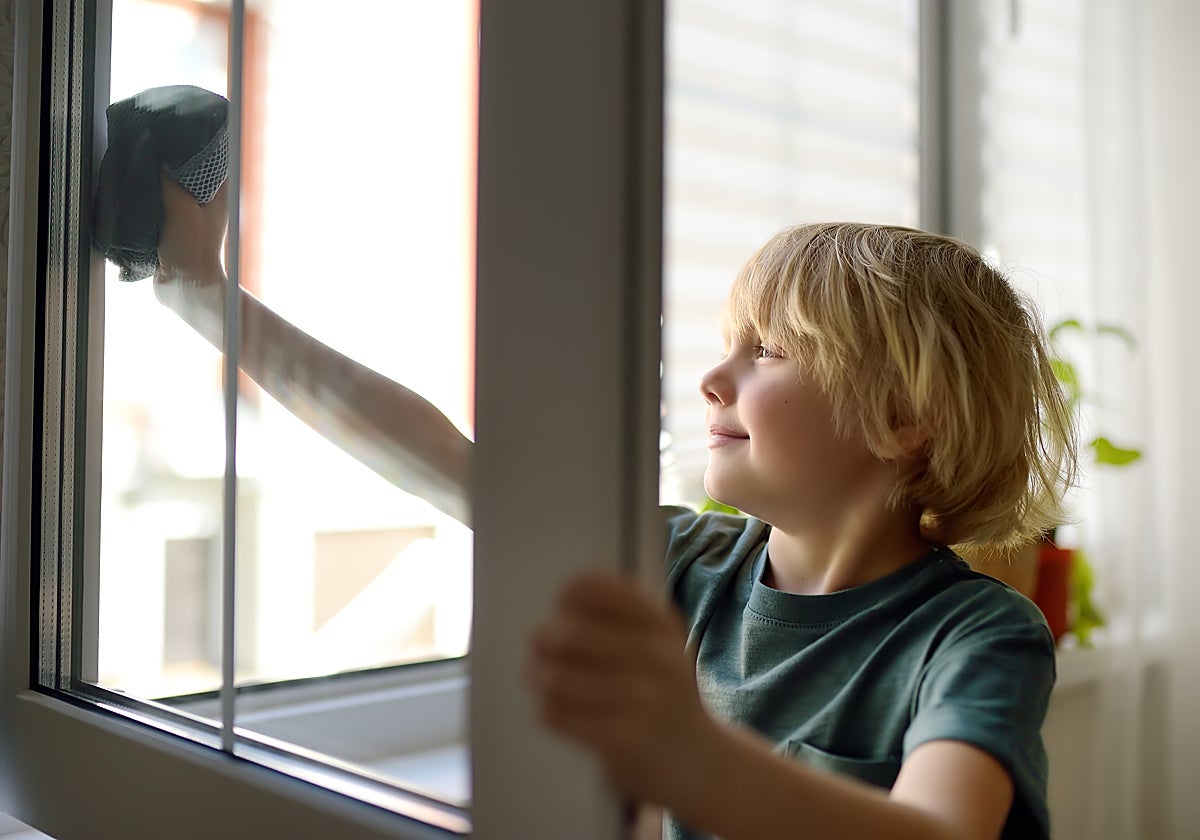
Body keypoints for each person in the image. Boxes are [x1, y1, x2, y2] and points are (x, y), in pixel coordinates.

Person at [153, 181, 1075, 839]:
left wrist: (691, 755)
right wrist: (206, 298)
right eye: (727, 347)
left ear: (907, 417)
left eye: (773, 352)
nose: (715, 379)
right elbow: (433, 455)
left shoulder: (979, 636)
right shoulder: (681, 561)